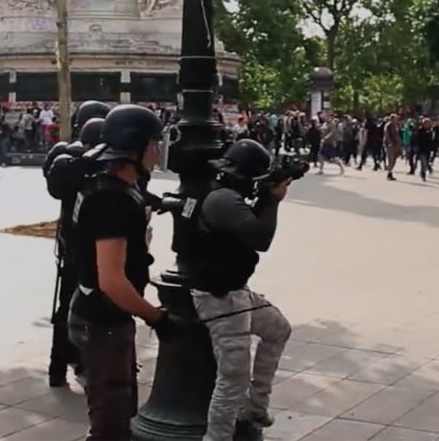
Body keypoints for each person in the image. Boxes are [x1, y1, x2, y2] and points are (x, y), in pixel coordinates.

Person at [66, 104, 179, 438]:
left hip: (103, 317)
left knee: (117, 413)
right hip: (102, 322)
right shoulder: (111, 200)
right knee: (111, 423)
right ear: (134, 147)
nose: (158, 151)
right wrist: (157, 318)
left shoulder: (111, 188)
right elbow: (112, 281)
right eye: (154, 143)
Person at [190, 139, 293, 441]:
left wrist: (267, 195)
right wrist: (272, 199)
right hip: (220, 299)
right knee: (232, 378)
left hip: (236, 293)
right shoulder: (223, 201)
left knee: (278, 328)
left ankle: (255, 408)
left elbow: (249, 228)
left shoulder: (224, 195)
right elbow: (260, 238)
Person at [44, 100, 109, 389]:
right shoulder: (73, 160)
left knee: (67, 305)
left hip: (73, 242)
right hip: (89, 244)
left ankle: (60, 365)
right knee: (85, 305)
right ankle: (76, 361)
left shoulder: (68, 158)